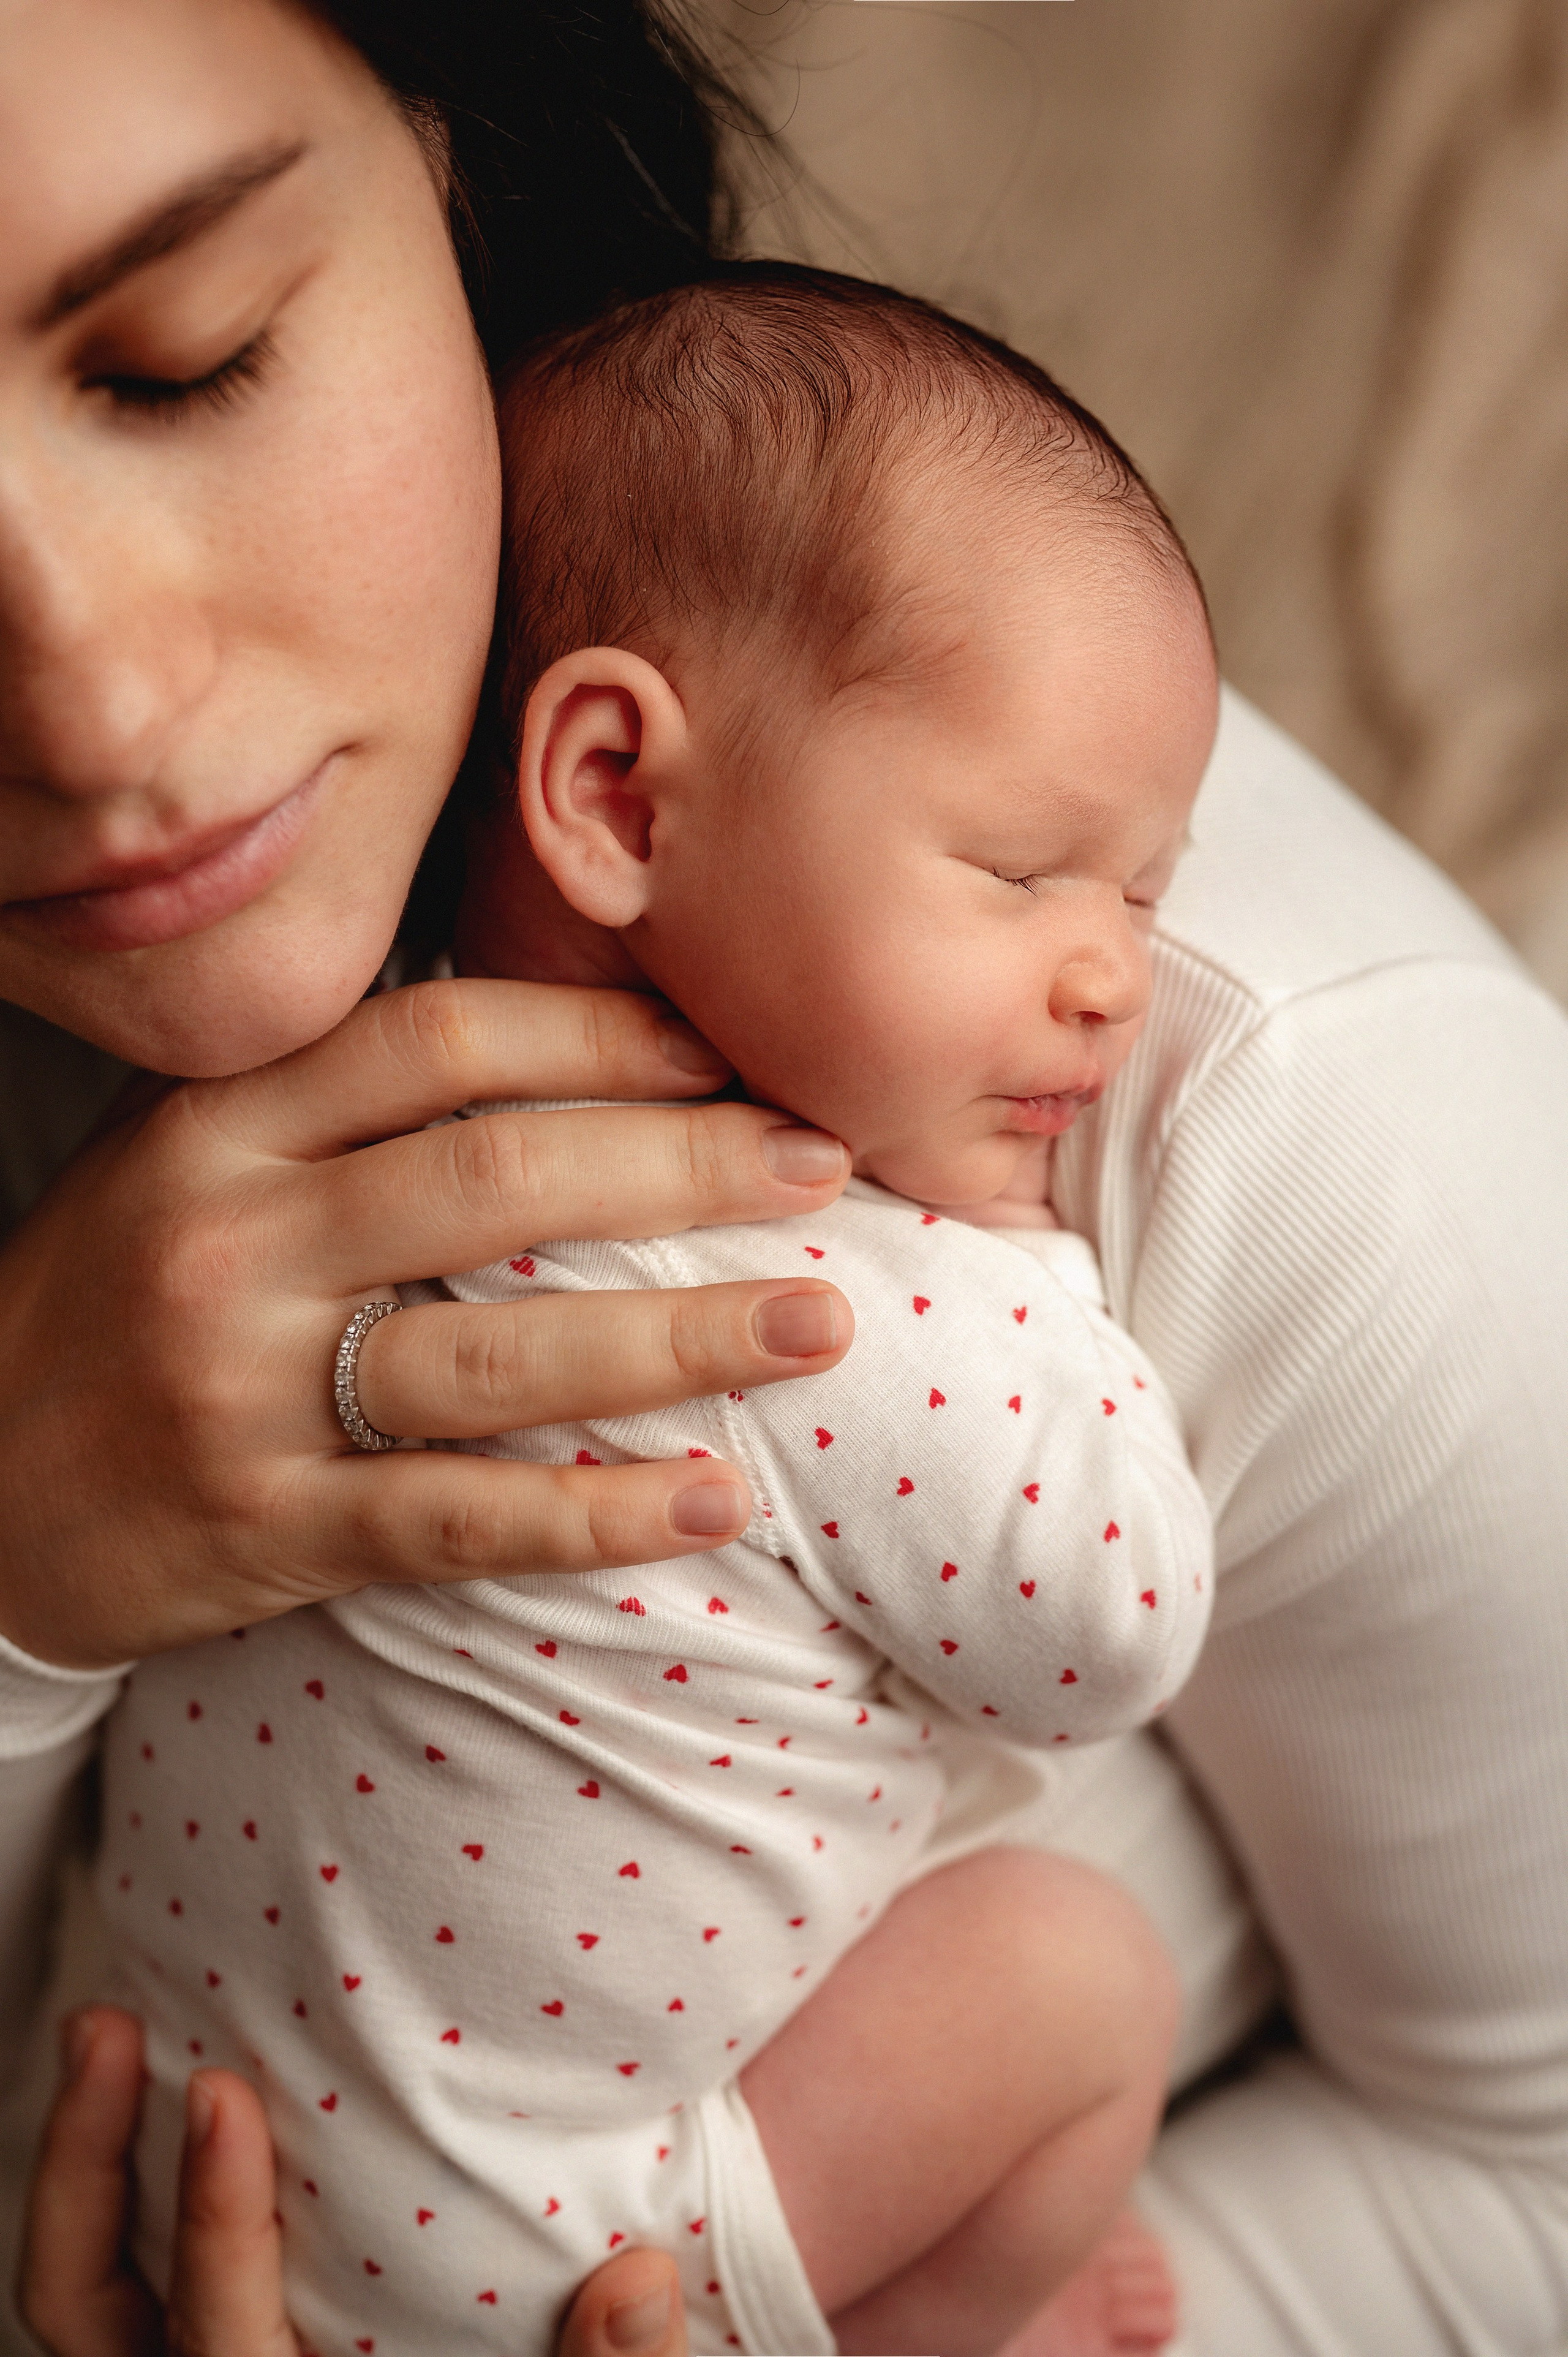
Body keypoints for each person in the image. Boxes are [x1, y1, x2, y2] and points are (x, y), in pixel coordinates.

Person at [5, 6, 1568, 2356]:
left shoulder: (1276, 1113)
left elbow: (1534, 2181)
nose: (98, 714)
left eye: (186, 361)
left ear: (455, 138)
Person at [103, 268, 1215, 2356]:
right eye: (1022, 871)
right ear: (619, 794)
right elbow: (1110, 1629)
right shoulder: (851, 1304)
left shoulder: (297, 1115)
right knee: (1082, 1981)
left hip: (172, 2149)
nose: (1119, 981)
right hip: (539, 2262)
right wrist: (1041, 1280)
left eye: (1145, 897)